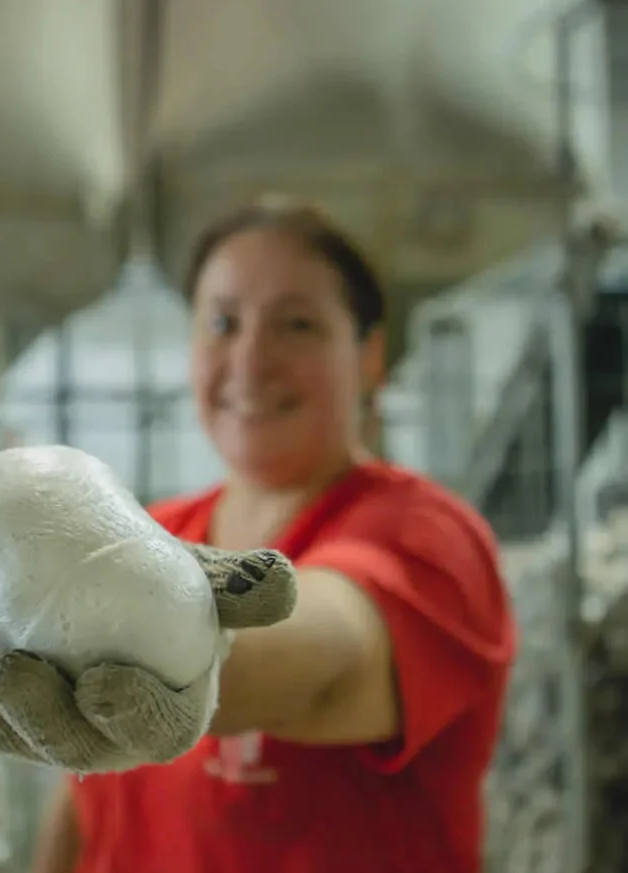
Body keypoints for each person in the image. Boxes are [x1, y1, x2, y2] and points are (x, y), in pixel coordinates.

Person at [30, 198, 518, 873]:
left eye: (297, 324)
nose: (251, 360)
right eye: (222, 323)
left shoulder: (428, 535)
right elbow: (85, 800)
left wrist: (110, 644)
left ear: (369, 356)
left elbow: (327, 653)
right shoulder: (150, 531)